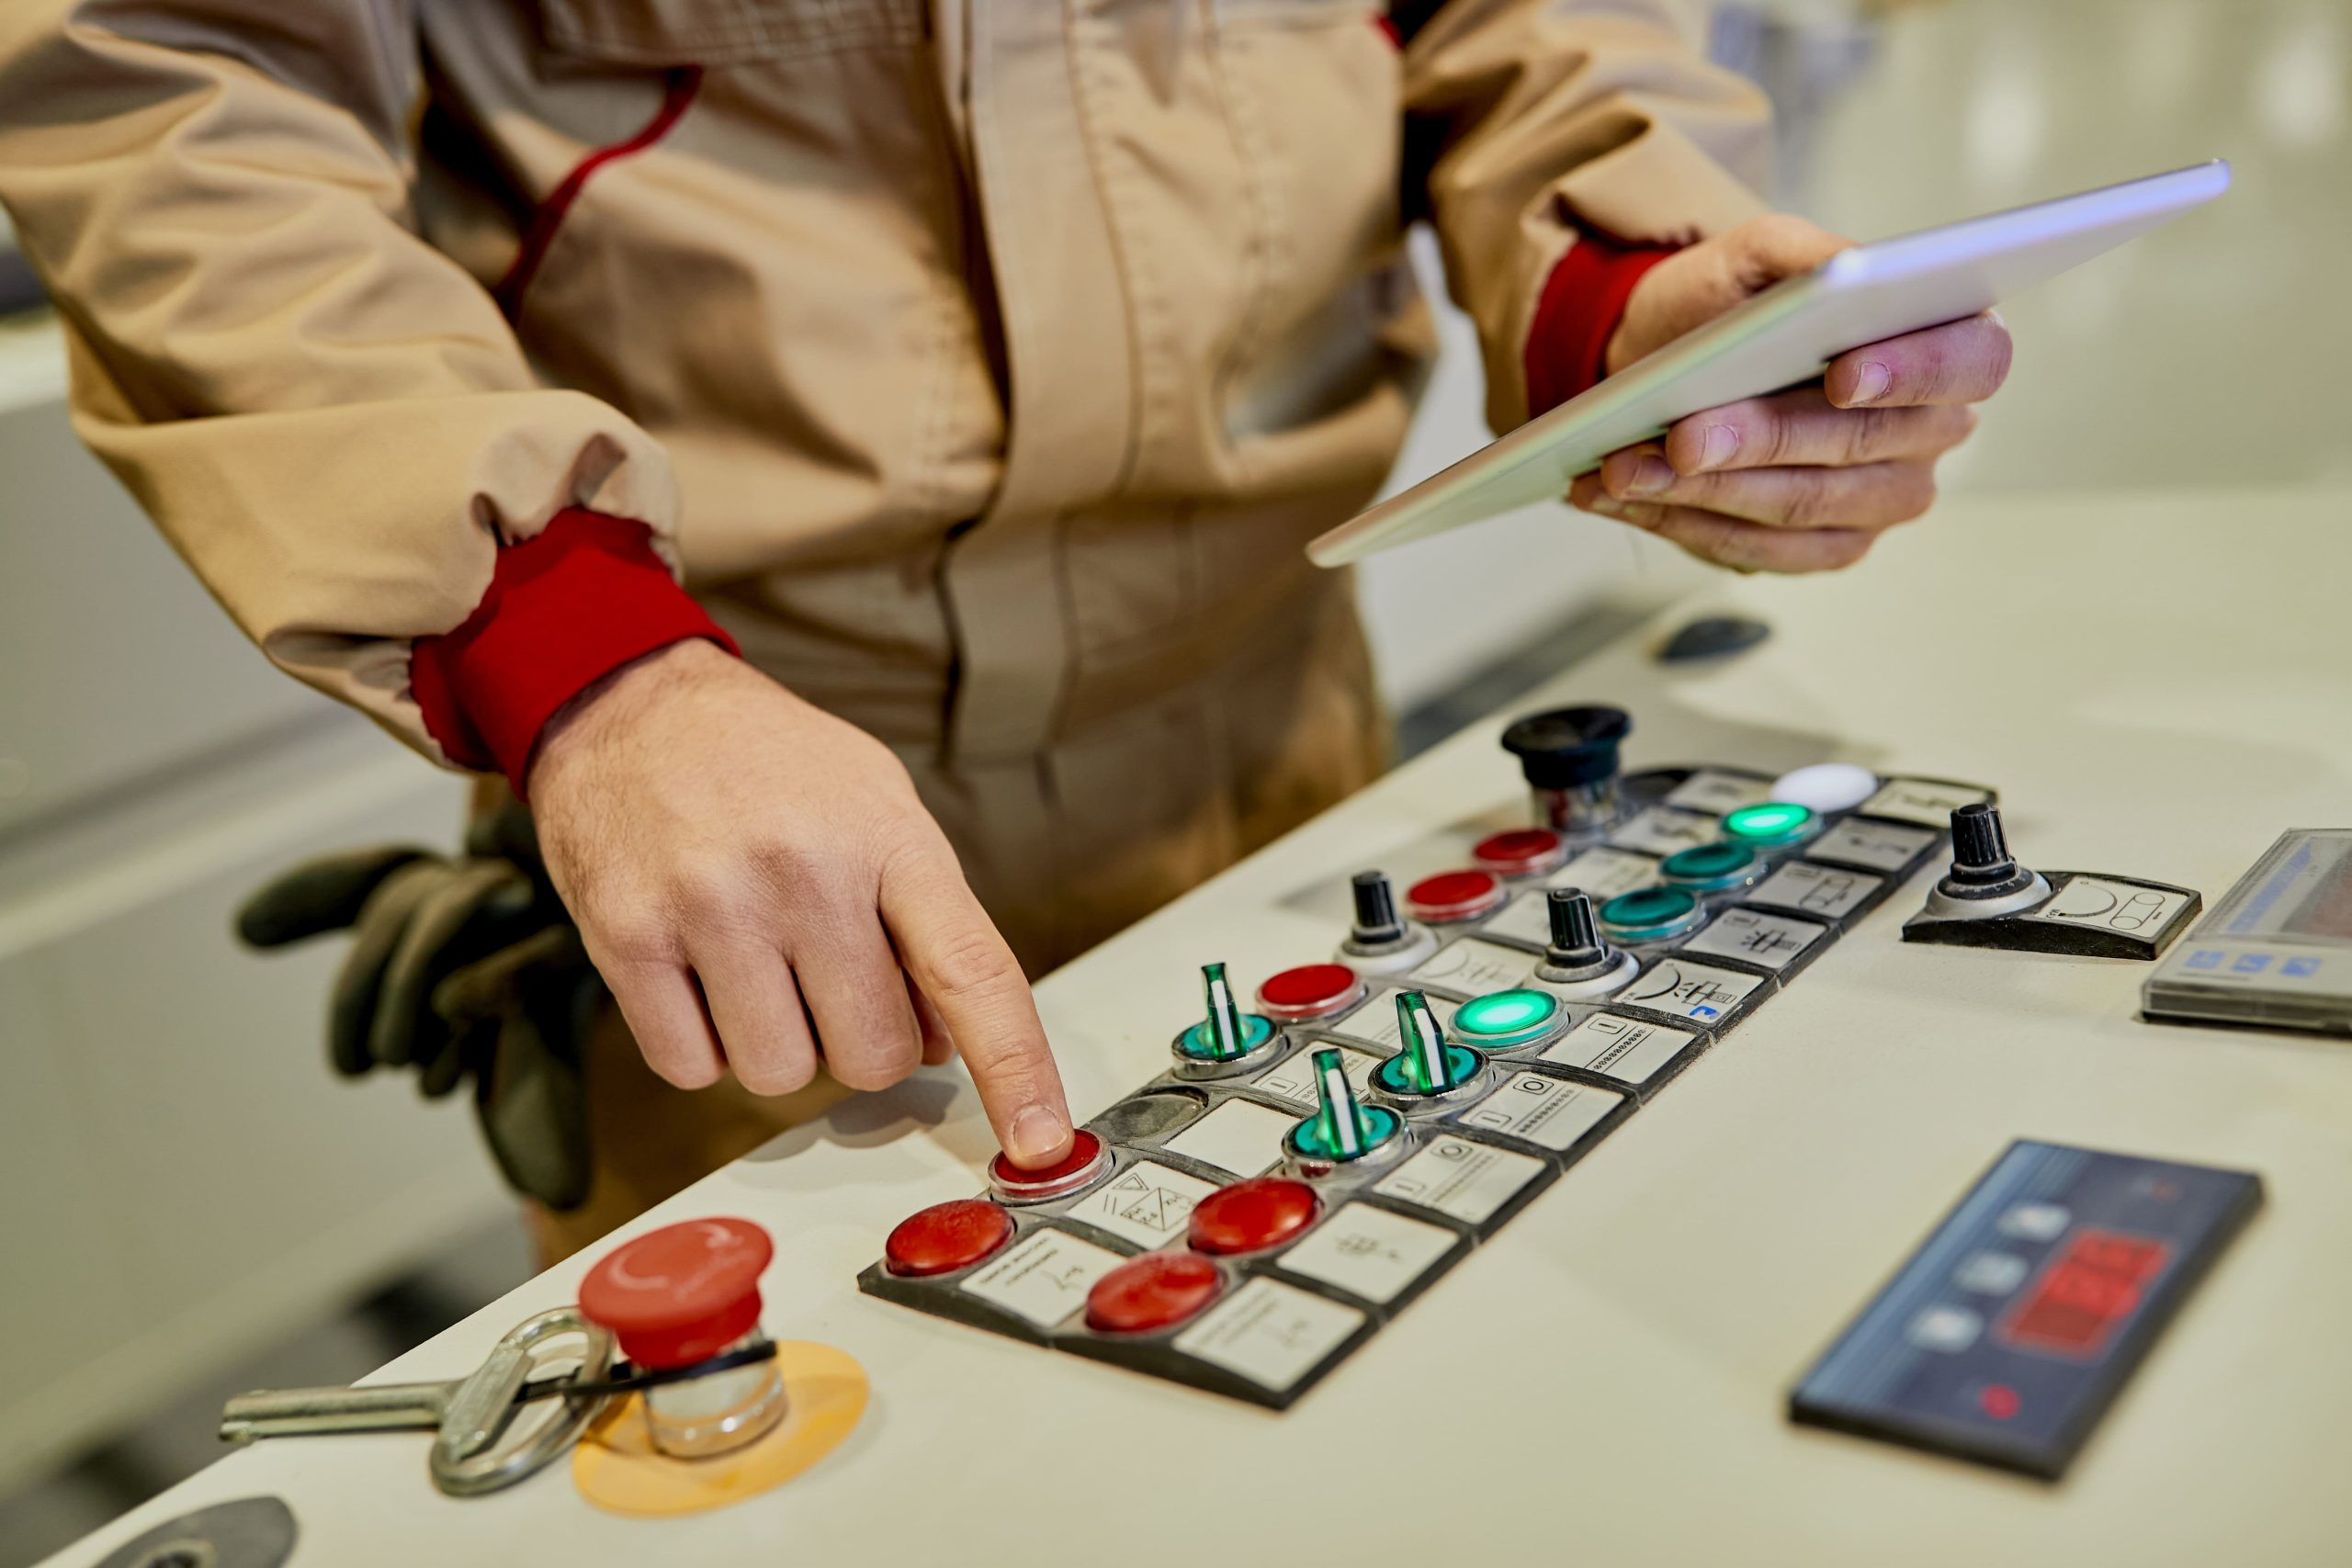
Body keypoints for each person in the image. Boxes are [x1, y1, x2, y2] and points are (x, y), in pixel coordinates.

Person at [0, 0, 2007, 1256]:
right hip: (746, 845)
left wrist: (1621, 290)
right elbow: (169, 75)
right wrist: (566, 642)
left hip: (1287, 744)